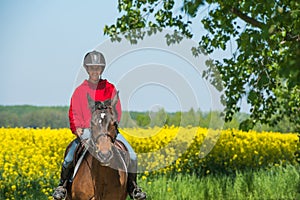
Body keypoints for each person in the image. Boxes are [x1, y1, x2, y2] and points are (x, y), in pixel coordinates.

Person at [52, 50, 146, 200]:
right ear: (87, 69)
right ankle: (62, 186)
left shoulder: (110, 88)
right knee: (70, 156)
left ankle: (133, 187)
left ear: (102, 69)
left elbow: (117, 110)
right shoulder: (80, 91)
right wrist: (77, 128)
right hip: (88, 131)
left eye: (97, 68)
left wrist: (111, 127)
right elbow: (74, 112)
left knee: (132, 154)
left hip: (108, 130)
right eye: (91, 68)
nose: (94, 71)